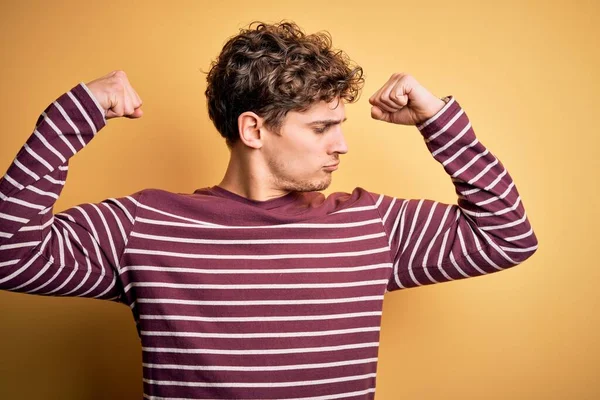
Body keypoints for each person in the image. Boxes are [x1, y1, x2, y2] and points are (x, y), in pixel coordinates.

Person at [0, 21, 537, 400]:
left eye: (341, 125)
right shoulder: (146, 227)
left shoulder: (369, 226)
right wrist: (74, 115)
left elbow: (508, 237)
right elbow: (9, 254)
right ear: (254, 128)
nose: (343, 145)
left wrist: (437, 120)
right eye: (323, 127)